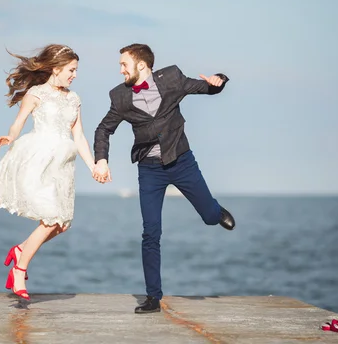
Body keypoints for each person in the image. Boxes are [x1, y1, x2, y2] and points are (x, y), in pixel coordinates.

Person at [92, 43, 236, 313]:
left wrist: (219, 80)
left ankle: (216, 212)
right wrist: (102, 159)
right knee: (150, 232)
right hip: (149, 170)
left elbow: (206, 88)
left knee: (207, 216)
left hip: (182, 162)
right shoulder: (120, 97)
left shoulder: (172, 79)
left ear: (142, 65)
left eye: (124, 64)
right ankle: (153, 297)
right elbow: (103, 129)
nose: (120, 69)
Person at [0, 44, 95, 300]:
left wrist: (93, 166)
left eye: (76, 70)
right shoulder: (36, 94)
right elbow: (18, 124)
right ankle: (20, 269)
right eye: (71, 70)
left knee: (60, 224)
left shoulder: (74, 98)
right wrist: (10, 136)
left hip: (63, 165)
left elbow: (79, 135)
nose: (75, 75)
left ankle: (20, 250)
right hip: (39, 160)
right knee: (50, 219)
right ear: (56, 68)